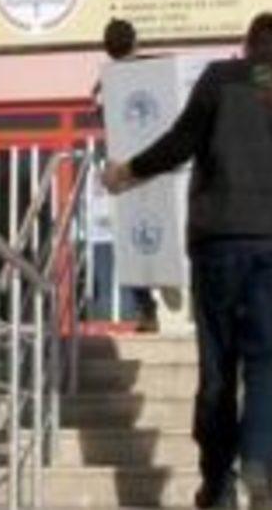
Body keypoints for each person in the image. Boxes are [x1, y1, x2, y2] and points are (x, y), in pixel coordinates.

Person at [102, 12, 272, 509]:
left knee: (219, 365)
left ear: (248, 42)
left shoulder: (222, 79)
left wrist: (128, 171)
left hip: (219, 240)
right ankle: (259, 464)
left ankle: (218, 485)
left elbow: (182, 141)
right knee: (265, 362)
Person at [94, 18, 160, 333]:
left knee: (132, 239)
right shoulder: (154, 71)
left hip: (124, 171)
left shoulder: (105, 83)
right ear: (135, 42)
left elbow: (102, 118)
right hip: (160, 164)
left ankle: (147, 309)